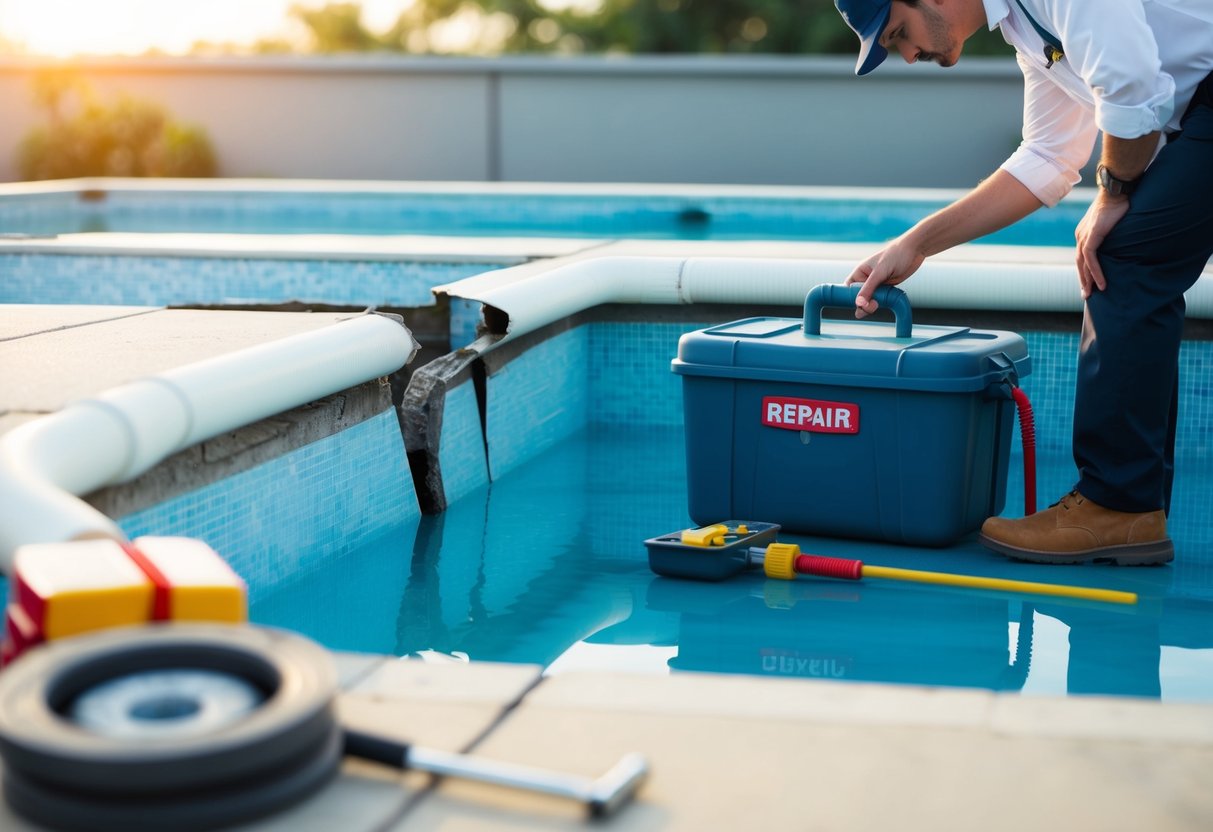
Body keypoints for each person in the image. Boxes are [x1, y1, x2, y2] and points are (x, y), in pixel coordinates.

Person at [833, 0, 1213, 566]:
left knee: (1126, 253)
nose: (909, 56)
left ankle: (1120, 506)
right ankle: (1130, 507)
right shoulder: (1025, 28)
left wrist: (1112, 192)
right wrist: (914, 243)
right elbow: (1048, 156)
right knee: (1134, 251)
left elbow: (1131, 86)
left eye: (897, 33)